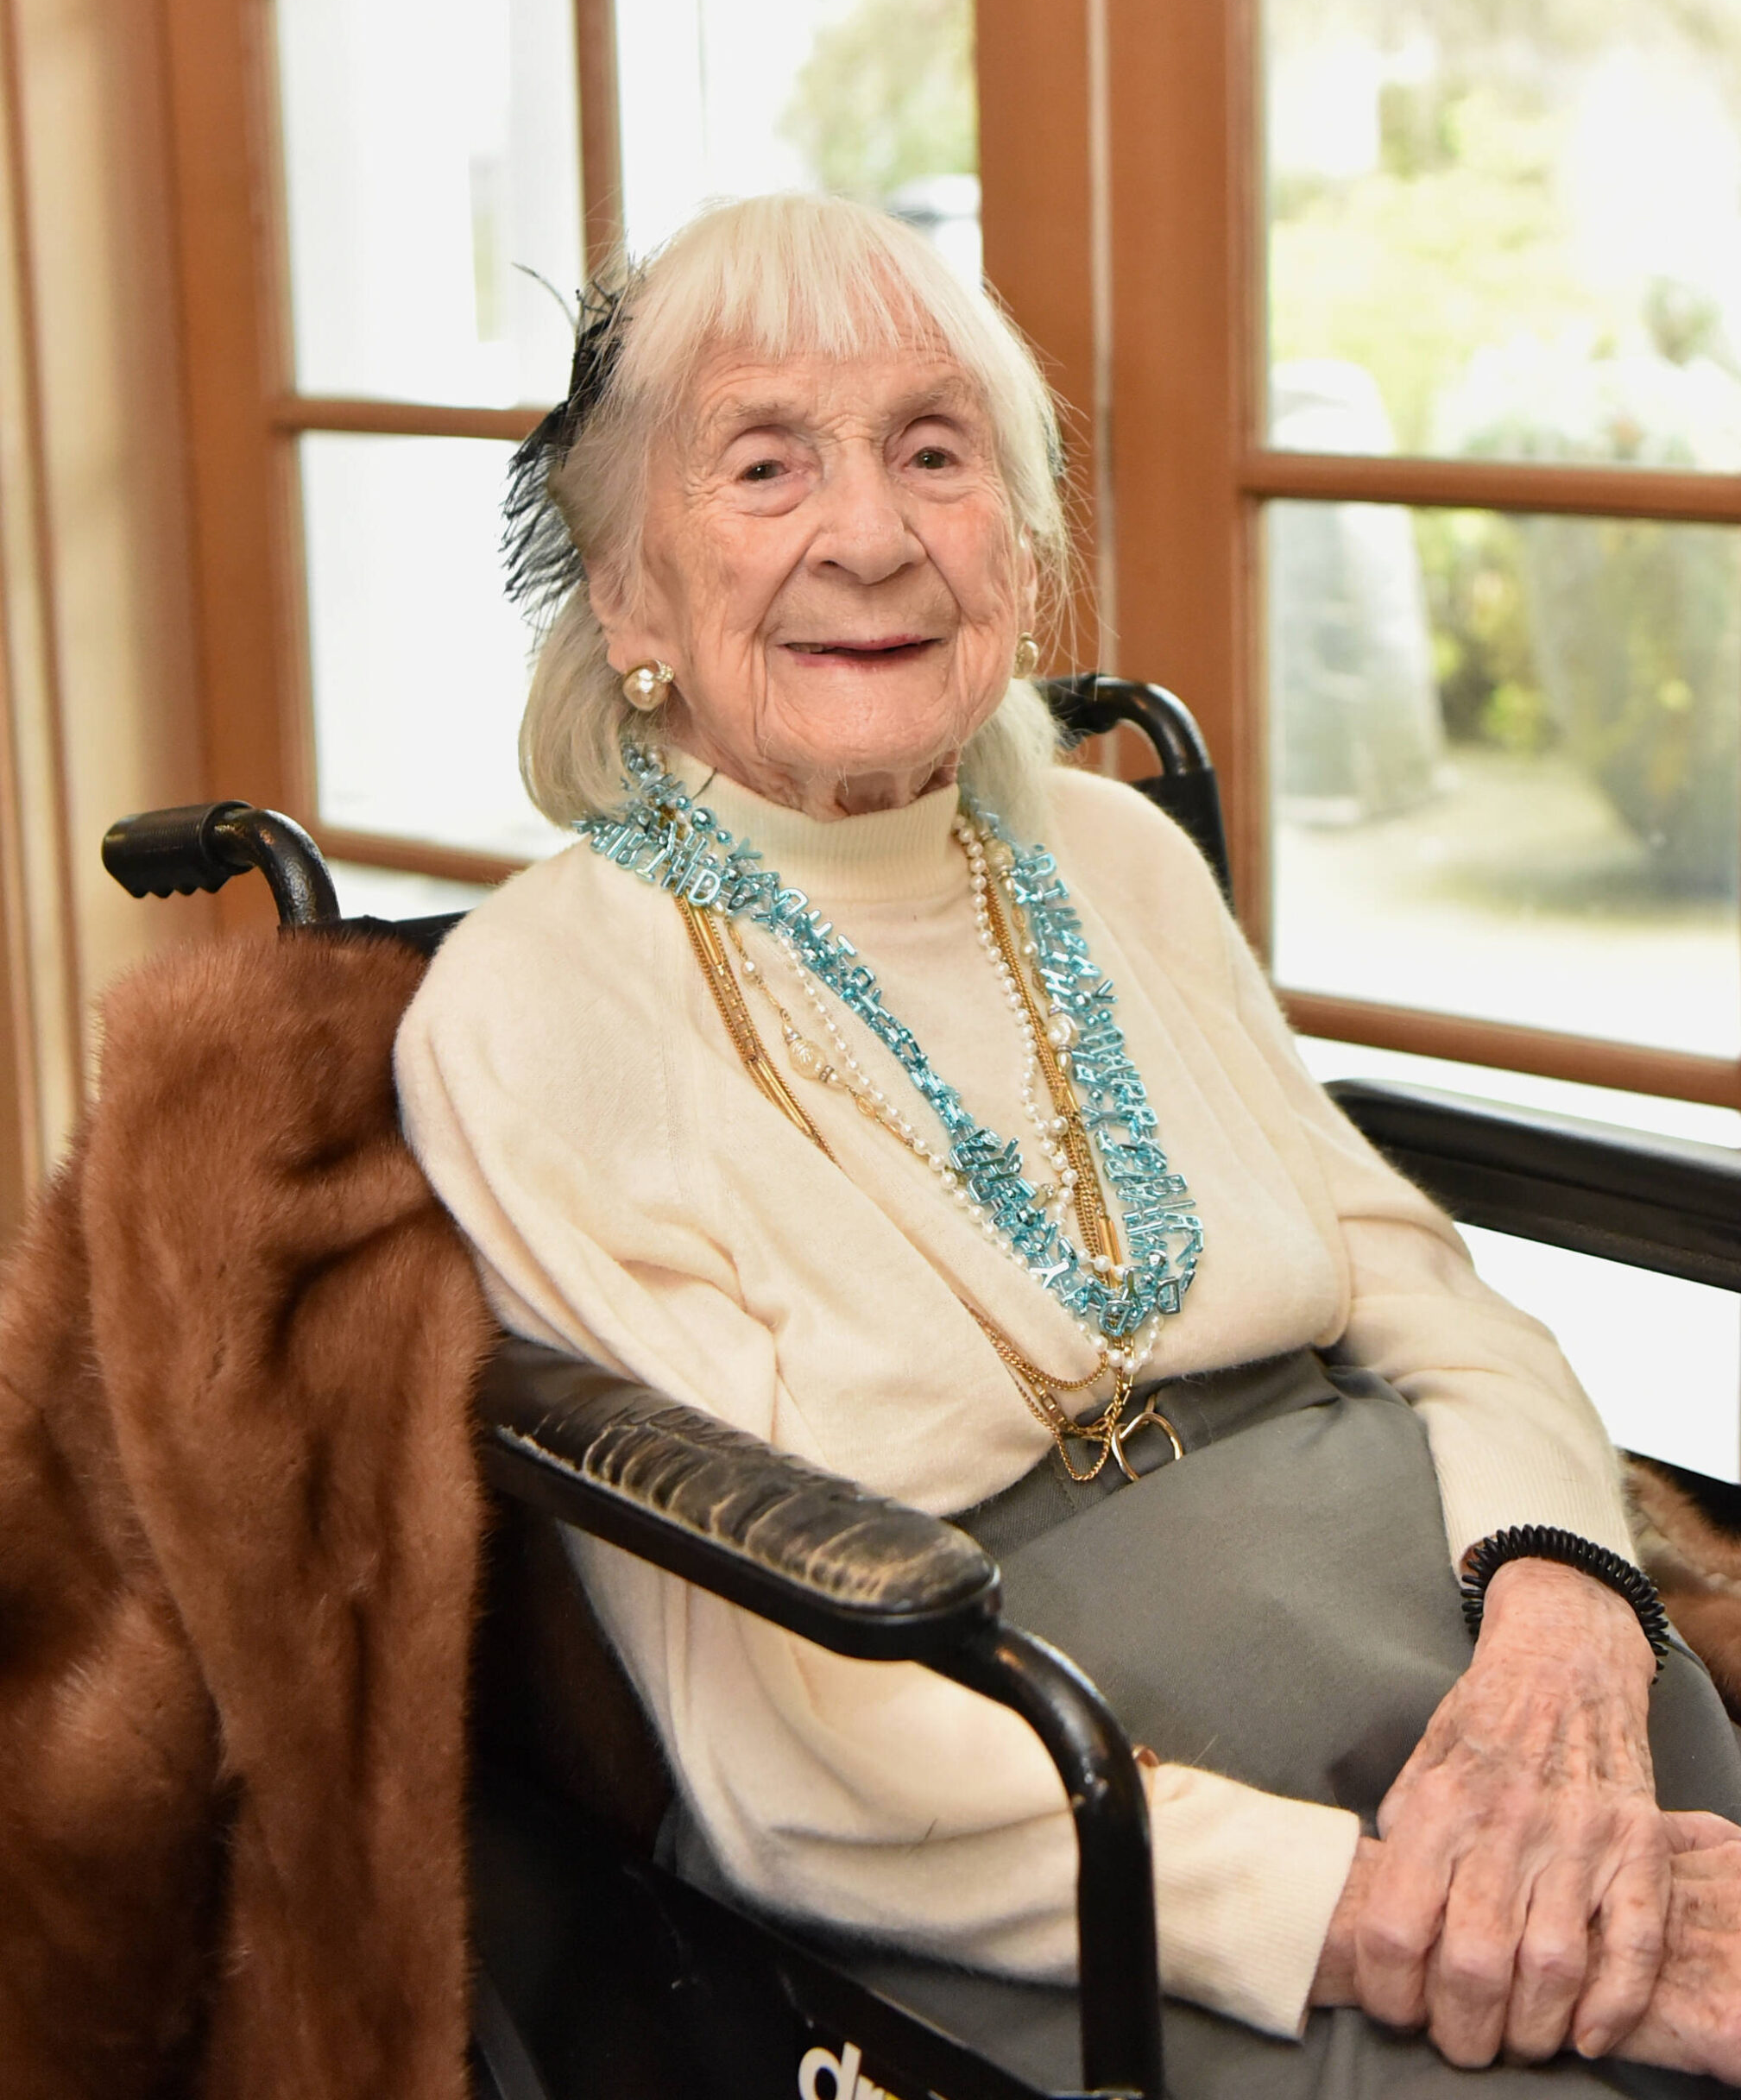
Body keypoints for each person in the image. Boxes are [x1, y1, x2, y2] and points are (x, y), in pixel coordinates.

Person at [394, 192, 1741, 2096]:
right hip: (1077, 1831)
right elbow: (790, 1757)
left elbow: (1424, 1292)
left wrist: (1564, 1622)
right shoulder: (538, 1002)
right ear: (624, 594)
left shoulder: (1109, 859)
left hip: (1501, 1684)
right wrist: (1368, 1908)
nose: (868, 533)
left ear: (1018, 552)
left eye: (934, 452)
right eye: (765, 462)